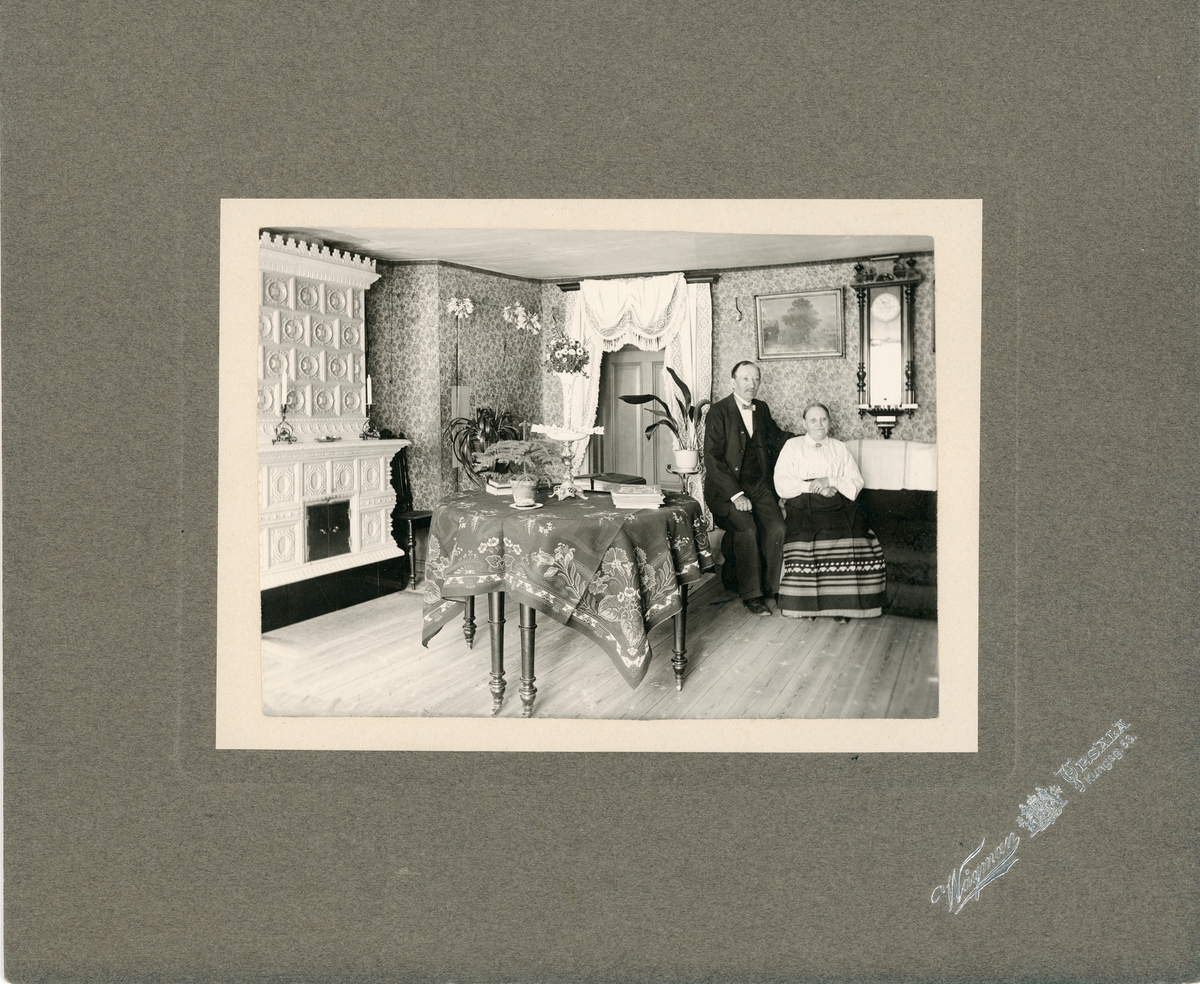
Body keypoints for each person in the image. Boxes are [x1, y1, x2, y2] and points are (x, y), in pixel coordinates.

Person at [773, 402, 886, 621]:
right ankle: (806, 608)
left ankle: (846, 607)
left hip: (837, 503)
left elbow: (856, 482)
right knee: (806, 535)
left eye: (823, 419)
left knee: (855, 534)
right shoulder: (792, 446)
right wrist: (814, 487)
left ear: (830, 422)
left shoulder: (839, 447)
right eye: (813, 420)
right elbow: (781, 482)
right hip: (803, 503)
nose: (819, 424)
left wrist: (829, 480)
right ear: (804, 423)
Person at [703, 361, 793, 616]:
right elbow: (713, 460)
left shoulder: (761, 408)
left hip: (758, 486)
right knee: (747, 529)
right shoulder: (718, 411)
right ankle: (751, 595)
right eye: (745, 378)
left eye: (755, 379)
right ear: (733, 382)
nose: (751, 384)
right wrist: (736, 495)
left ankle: (773, 589)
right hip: (727, 491)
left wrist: (807, 438)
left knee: (777, 528)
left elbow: (776, 438)